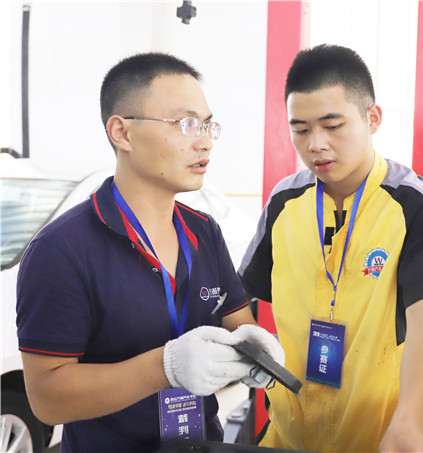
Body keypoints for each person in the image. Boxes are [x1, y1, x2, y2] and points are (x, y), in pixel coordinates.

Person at [16, 52, 284, 453]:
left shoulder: (204, 231)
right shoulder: (62, 249)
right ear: (122, 133)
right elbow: (47, 399)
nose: (204, 141)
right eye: (186, 123)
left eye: (208, 125)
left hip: (200, 444)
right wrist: (166, 367)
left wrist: (252, 347)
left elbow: (236, 323)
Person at [238, 44, 423, 453]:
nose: (316, 144)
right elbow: (243, 297)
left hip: (378, 441)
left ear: (372, 118)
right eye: (301, 129)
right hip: (285, 437)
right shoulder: (284, 202)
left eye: (332, 125)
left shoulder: (414, 206)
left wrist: (410, 423)